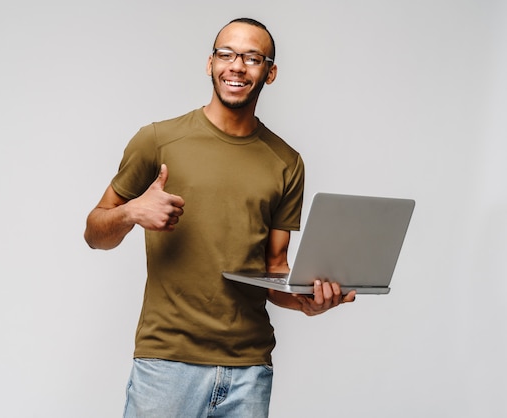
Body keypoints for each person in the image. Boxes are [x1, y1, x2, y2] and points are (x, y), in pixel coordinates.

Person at [84, 17, 356, 418]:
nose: (237, 66)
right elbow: (95, 233)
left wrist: (306, 304)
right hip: (167, 364)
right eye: (226, 54)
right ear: (210, 63)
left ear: (270, 72)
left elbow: (274, 269)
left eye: (252, 57)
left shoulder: (286, 162)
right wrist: (130, 212)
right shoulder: (157, 140)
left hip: (249, 370)